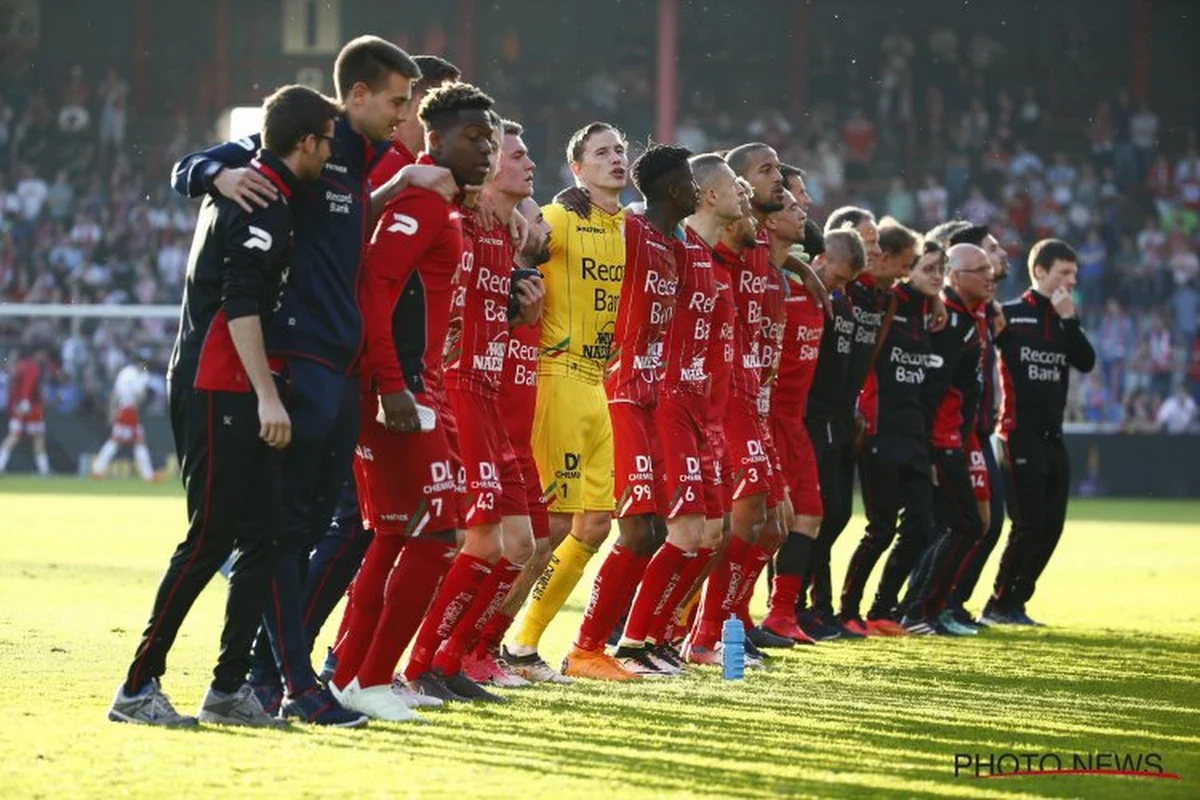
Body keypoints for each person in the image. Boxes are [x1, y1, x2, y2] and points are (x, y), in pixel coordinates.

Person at [171, 36, 444, 724]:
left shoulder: (363, 162)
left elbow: (345, 227)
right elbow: (206, 162)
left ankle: (272, 677)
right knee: (289, 533)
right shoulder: (311, 136)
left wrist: (400, 184)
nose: (403, 114)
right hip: (301, 365)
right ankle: (286, 682)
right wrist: (210, 173)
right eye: (398, 102)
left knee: (321, 528)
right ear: (354, 97)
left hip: (340, 370)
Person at [108, 85, 339, 727]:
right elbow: (240, 300)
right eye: (327, 141)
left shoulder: (262, 181)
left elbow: (196, 168)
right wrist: (268, 394)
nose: (332, 152)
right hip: (219, 384)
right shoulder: (260, 196)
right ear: (305, 142)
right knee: (211, 537)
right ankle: (136, 687)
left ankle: (228, 689)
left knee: (263, 539)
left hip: (240, 383)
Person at [327, 82, 497, 720]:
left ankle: (352, 676)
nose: (485, 148)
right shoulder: (422, 205)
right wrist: (393, 385)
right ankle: (368, 677)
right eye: (473, 137)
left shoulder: (442, 208)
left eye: (491, 138)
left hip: (421, 387)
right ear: (436, 139)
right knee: (429, 536)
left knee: (399, 536)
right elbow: (374, 291)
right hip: (399, 393)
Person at [306, 54, 466, 666]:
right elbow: (371, 277)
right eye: (407, 104)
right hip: (359, 370)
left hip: (402, 375)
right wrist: (394, 382)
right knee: (361, 527)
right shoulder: (384, 168)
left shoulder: (410, 174)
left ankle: (328, 663)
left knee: (377, 529)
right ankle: (297, 661)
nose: (411, 115)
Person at [402, 117, 545, 696]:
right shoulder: (457, 220)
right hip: (455, 391)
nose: (524, 163)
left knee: (521, 543)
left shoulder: (505, 232)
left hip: (487, 395)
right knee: (476, 540)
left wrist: (520, 313)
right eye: (515, 153)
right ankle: (422, 664)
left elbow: (483, 314)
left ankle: (454, 658)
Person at [503, 123, 629, 680]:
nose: (615, 159)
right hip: (555, 374)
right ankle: (484, 644)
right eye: (601, 153)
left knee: (595, 526)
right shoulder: (559, 216)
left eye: (621, 150)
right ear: (577, 170)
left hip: (598, 381)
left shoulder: (632, 228)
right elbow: (521, 243)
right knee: (548, 526)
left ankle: (524, 645)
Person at [566, 144, 697, 679]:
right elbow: (586, 223)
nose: (694, 189)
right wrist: (569, 196)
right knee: (634, 530)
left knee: (657, 531)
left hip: (651, 397)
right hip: (616, 389)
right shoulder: (634, 228)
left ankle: (632, 644)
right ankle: (587, 648)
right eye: (689, 181)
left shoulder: (679, 246)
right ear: (670, 189)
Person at [838, 221, 946, 635]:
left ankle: (884, 609)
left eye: (941, 270)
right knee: (880, 528)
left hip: (914, 434)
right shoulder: (890, 301)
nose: (935, 277)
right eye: (925, 268)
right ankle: (848, 610)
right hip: (880, 430)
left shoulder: (926, 313)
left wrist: (934, 301)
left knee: (923, 524)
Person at [473, 196, 564, 682]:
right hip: (488, 436)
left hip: (519, 442)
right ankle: (457, 648)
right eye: (536, 220)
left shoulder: (533, 287)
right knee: (491, 548)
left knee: (536, 547)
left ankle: (485, 648)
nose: (545, 229)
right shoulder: (493, 284)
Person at [985, 239, 1096, 625]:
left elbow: (1086, 361)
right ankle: (997, 603)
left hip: (1053, 436)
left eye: (1074, 273)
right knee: (1028, 523)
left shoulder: (1064, 319)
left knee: (1052, 526)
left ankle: (1016, 601)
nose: (1072, 279)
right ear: (1040, 272)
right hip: (1017, 432)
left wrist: (1070, 320)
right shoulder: (1011, 314)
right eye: (1064, 272)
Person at [898, 243, 991, 633]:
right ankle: (919, 609)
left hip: (951, 437)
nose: (990, 277)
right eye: (980, 270)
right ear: (957, 277)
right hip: (939, 440)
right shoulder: (947, 320)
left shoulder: (966, 318)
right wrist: (931, 448)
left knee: (956, 525)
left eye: (990, 270)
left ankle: (923, 609)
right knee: (963, 525)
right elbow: (930, 390)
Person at [941, 223, 1010, 626]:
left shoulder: (985, 309)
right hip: (957, 430)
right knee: (963, 523)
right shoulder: (951, 313)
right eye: (989, 251)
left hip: (977, 428)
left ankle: (948, 603)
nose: (997, 259)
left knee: (981, 522)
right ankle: (928, 604)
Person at [91, 359, 158, 481]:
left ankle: (98, 470)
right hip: (129, 411)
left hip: (122, 410)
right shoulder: (141, 376)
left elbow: (115, 394)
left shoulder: (124, 372)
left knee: (121, 441)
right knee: (125, 441)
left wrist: (112, 413)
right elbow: (139, 396)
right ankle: (148, 475)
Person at [0, 348, 51, 476]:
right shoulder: (32, 366)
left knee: (13, 436)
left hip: (17, 405)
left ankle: (1, 464)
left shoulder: (20, 366)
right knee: (37, 437)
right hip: (30, 406)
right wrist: (25, 401)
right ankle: (44, 470)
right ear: (39, 353)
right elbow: (28, 384)